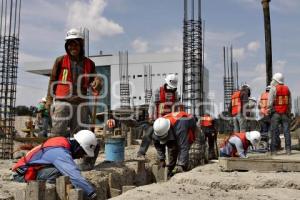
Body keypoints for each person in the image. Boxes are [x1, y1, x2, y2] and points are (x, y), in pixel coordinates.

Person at [46, 28, 103, 137]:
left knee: (79, 136)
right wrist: (49, 99)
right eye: (70, 44)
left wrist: (98, 81)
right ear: (66, 46)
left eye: (75, 44)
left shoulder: (89, 63)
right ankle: (57, 152)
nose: (73, 47)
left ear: (81, 45)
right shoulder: (60, 61)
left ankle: (76, 154)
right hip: (62, 103)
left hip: (80, 104)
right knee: (57, 134)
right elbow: (52, 80)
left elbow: (95, 79)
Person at [12, 130, 98, 200]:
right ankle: (48, 192)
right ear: (78, 147)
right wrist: (91, 193)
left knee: (66, 173)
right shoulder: (59, 151)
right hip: (22, 175)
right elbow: (73, 174)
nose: (81, 157)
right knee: (61, 172)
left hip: (28, 170)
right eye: (83, 153)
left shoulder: (62, 142)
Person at [137, 74, 182, 157]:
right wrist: (151, 116)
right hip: (158, 118)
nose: (171, 89)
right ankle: (141, 152)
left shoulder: (175, 94)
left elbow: (177, 107)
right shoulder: (158, 91)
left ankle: (174, 159)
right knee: (149, 133)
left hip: (170, 119)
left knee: (173, 138)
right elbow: (152, 105)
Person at [152, 111, 196, 177]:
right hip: (174, 127)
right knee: (172, 148)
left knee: (191, 153)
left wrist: (181, 165)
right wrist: (162, 159)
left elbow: (183, 146)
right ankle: (171, 169)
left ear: (168, 130)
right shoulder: (158, 127)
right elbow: (158, 145)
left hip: (188, 125)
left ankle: (188, 167)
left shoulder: (180, 126)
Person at [267, 73, 292, 155]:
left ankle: (273, 151)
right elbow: (290, 102)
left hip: (276, 113)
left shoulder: (273, 89)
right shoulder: (287, 89)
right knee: (286, 132)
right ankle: (288, 150)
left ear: (276, 80)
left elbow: (270, 102)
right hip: (285, 113)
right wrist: (289, 112)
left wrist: (269, 110)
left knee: (274, 131)